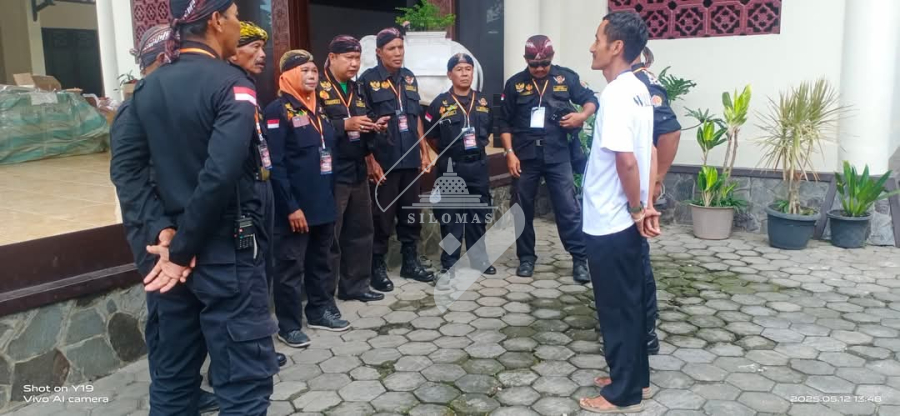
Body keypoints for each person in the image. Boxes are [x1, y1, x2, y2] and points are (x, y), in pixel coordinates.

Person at [118, 1, 279, 414]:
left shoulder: (149, 87)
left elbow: (127, 172)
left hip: (170, 258)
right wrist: (181, 249)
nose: (238, 26)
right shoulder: (233, 84)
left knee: (173, 380)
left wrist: (163, 232)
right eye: (236, 16)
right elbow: (220, 174)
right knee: (242, 385)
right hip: (223, 254)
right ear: (216, 21)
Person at [113, 23, 221, 415]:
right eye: (178, 55)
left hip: (182, 236)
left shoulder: (169, 103)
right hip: (156, 239)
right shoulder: (135, 109)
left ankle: (187, 391)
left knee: (190, 326)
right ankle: (174, 399)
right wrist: (163, 229)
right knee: (171, 328)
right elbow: (129, 178)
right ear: (163, 58)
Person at [579, 11, 660, 413]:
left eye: (598, 39)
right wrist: (646, 205)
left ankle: (623, 392)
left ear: (616, 47)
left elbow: (626, 160)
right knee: (631, 301)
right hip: (624, 218)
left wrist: (636, 208)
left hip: (612, 220)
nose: (592, 46)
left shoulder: (614, 95)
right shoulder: (640, 90)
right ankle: (634, 379)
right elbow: (651, 150)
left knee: (616, 306)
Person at [265, 50, 351, 349]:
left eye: (314, 70)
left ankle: (319, 311)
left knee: (321, 261)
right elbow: (275, 165)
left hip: (322, 201)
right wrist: (291, 207)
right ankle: (288, 326)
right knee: (290, 268)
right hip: (295, 208)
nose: (312, 75)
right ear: (288, 75)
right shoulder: (277, 111)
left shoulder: (320, 109)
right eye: (304, 71)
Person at [498, 34, 596, 283]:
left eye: (545, 63)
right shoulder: (515, 84)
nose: (540, 68)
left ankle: (579, 259)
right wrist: (509, 154)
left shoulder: (565, 78)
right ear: (526, 60)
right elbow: (503, 122)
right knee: (522, 209)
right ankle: (526, 258)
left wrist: (581, 116)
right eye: (534, 64)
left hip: (557, 154)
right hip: (525, 156)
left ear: (552, 58)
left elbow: (590, 100)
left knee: (568, 208)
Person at [227, 20, 289, 367]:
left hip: (261, 186)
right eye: (253, 47)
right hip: (242, 194)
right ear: (232, 51)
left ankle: (260, 346)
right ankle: (244, 355)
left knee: (262, 267)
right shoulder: (227, 88)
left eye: (263, 47)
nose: (262, 54)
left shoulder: (249, 87)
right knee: (247, 274)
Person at [360, 26, 435, 287]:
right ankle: (377, 267)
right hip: (385, 161)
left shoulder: (409, 77)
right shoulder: (367, 81)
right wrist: (371, 161)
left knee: (410, 214)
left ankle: (410, 263)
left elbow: (415, 118)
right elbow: (363, 123)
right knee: (382, 217)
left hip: (411, 159)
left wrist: (424, 151)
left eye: (401, 47)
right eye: (391, 48)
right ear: (379, 52)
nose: (397, 53)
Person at [319, 35, 389, 301]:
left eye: (357, 58)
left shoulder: (357, 88)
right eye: (349, 58)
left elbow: (363, 120)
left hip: (358, 168)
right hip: (332, 173)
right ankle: (324, 297)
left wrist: (374, 126)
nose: (354, 63)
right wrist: (343, 125)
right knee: (331, 237)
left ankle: (355, 286)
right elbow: (312, 126)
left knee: (361, 231)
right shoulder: (319, 88)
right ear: (332, 57)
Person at [424, 53, 497, 290]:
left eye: (468, 69)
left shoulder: (483, 101)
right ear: (449, 74)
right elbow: (430, 135)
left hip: (478, 165)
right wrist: (449, 153)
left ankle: (479, 259)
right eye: (459, 69)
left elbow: (490, 129)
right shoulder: (440, 103)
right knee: (450, 216)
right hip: (451, 166)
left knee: (478, 214)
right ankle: (450, 262)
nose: (464, 73)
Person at [631, 46, 682, 355]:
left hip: (636, 191)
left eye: (600, 39)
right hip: (625, 188)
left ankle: (645, 334)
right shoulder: (626, 82)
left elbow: (670, 132)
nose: (593, 46)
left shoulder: (643, 83)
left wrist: (656, 180)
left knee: (636, 262)